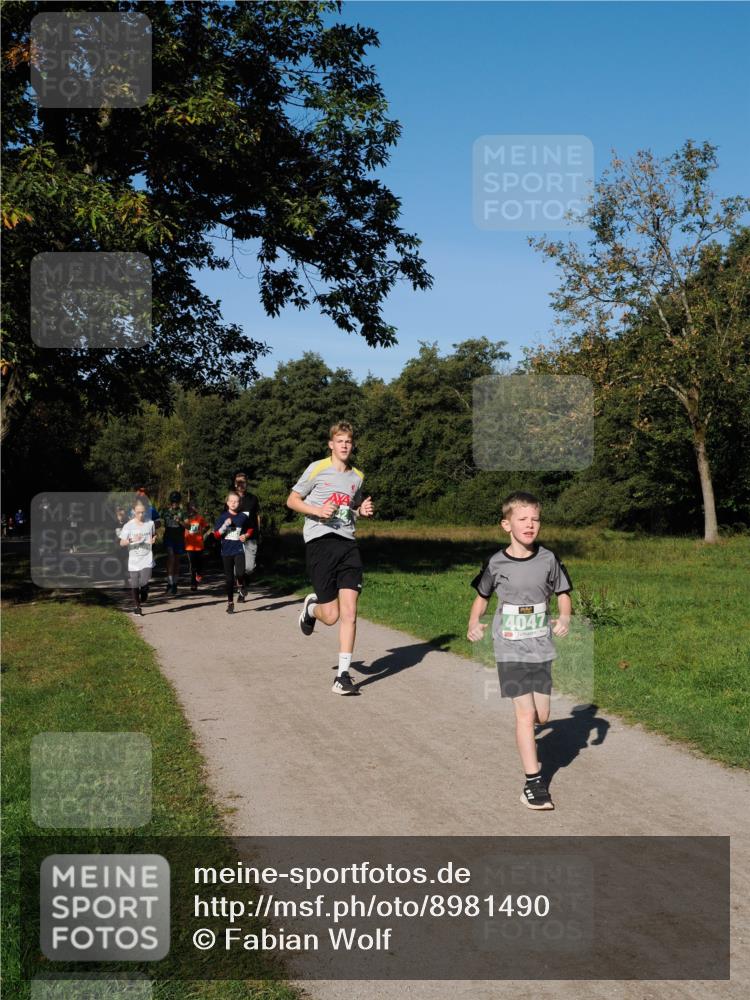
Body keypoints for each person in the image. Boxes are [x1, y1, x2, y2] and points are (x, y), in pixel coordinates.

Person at [466, 491, 573, 811]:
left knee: (542, 715)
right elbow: (482, 596)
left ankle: (532, 741)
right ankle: (533, 784)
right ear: (506, 524)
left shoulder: (549, 559)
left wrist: (564, 616)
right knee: (525, 714)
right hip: (508, 647)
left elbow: (563, 592)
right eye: (522, 519)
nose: (530, 525)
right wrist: (474, 623)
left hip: (540, 646)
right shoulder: (496, 562)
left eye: (535, 519)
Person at [287, 421, 374, 695]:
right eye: (340, 441)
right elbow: (292, 500)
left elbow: (352, 509)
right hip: (320, 542)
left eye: (348, 441)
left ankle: (343, 676)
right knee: (331, 616)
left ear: (352, 444)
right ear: (331, 445)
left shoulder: (357, 476)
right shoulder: (316, 468)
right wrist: (317, 510)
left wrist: (363, 511)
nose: (345, 445)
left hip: (348, 544)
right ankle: (311, 608)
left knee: (349, 611)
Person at [212, 491, 254, 614]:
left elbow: (251, 528)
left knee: (240, 572)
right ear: (227, 503)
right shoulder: (222, 517)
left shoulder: (243, 517)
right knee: (229, 580)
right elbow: (216, 535)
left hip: (239, 549)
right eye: (231, 501)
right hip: (226, 552)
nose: (233, 503)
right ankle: (230, 603)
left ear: (239, 503)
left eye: (236, 501)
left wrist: (246, 535)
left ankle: (241, 585)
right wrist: (225, 525)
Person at [119, 498, 156, 615]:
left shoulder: (150, 523)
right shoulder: (128, 526)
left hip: (146, 557)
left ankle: (144, 589)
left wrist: (154, 539)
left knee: (144, 581)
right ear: (134, 511)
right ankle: (137, 607)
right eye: (138, 512)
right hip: (134, 558)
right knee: (134, 584)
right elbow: (121, 543)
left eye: (143, 512)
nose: (141, 514)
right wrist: (131, 539)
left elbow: (154, 535)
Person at [230, 472, 261, 591]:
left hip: (250, 536)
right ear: (235, 484)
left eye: (243, 482)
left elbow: (257, 516)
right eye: (238, 482)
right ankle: (241, 589)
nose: (240, 484)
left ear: (246, 483)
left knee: (249, 568)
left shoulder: (253, 499)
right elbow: (227, 518)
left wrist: (259, 532)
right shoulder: (231, 499)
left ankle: (245, 579)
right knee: (236, 569)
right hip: (234, 536)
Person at [159, 491, 189, 594]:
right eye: (173, 501)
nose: (174, 503)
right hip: (169, 537)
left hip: (179, 538)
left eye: (176, 501)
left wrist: (180, 521)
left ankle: (175, 583)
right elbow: (159, 522)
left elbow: (188, 526)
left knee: (176, 560)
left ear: (179, 501)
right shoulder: (165, 511)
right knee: (170, 557)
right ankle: (169, 582)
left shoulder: (183, 512)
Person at [184, 503, 210, 591]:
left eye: (193, 509)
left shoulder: (200, 518)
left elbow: (207, 526)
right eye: (190, 509)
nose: (191, 511)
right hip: (189, 546)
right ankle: (193, 583)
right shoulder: (186, 519)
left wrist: (203, 532)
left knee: (199, 564)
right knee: (192, 565)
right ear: (188, 510)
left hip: (199, 545)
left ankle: (199, 573)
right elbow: (185, 527)